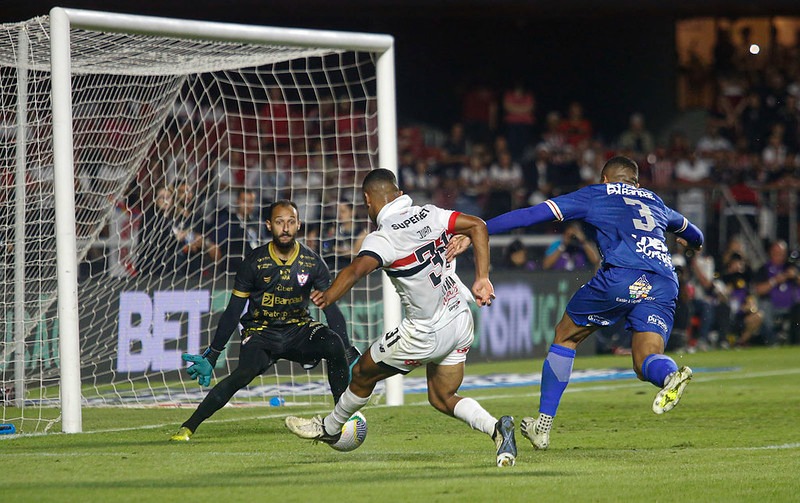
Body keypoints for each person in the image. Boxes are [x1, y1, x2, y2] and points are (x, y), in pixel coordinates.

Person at [447, 156, 703, 450]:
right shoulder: (655, 201)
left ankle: (542, 427)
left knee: (565, 336)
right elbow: (695, 234)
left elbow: (531, 215)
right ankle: (670, 375)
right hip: (663, 281)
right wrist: (692, 245)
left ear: (605, 179)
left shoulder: (597, 194)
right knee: (644, 360)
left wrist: (476, 231)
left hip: (623, 276)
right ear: (636, 182)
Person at [283, 168, 517, 467]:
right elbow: (478, 225)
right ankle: (498, 429)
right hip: (460, 317)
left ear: (368, 200)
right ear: (397, 192)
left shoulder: (384, 237)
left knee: (362, 373)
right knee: (442, 395)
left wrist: (329, 295)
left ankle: (328, 428)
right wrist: (483, 277)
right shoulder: (430, 213)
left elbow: (356, 270)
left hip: (425, 332)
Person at [170, 200, 359, 442]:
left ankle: (337, 423)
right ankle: (189, 426)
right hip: (261, 332)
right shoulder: (254, 262)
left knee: (333, 344)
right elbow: (233, 310)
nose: (286, 228)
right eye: (280, 222)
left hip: (299, 329)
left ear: (299, 225)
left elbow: (330, 309)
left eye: (291, 222)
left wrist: (347, 350)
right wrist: (214, 352)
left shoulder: (312, 262)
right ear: (269, 225)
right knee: (244, 373)